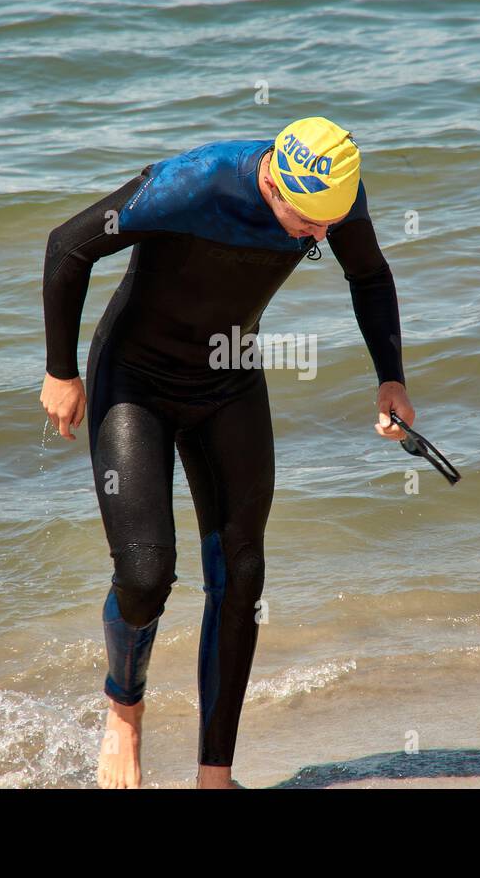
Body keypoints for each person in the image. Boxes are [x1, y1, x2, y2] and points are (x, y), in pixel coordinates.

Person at [39, 117, 414, 788]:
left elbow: (370, 276)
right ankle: (124, 712)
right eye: (307, 221)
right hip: (136, 379)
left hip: (230, 377)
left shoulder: (333, 195)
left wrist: (391, 378)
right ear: (273, 179)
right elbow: (68, 246)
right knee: (146, 575)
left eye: (328, 223)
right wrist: (61, 373)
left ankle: (216, 777)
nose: (319, 236)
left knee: (241, 576)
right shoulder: (192, 183)